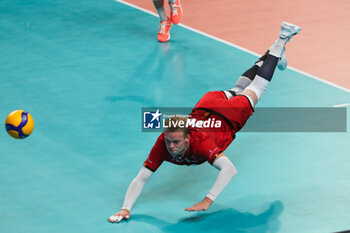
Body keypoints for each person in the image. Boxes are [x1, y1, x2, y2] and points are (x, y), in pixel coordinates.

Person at [108, 22, 301, 223]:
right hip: (207, 104)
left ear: (188, 137)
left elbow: (229, 169)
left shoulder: (201, 143)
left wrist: (208, 200)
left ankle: (281, 39)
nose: (171, 146)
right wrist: (125, 208)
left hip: (230, 116)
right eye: (169, 141)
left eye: (176, 142)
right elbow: (141, 178)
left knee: (257, 88)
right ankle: (273, 54)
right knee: (238, 88)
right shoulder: (163, 143)